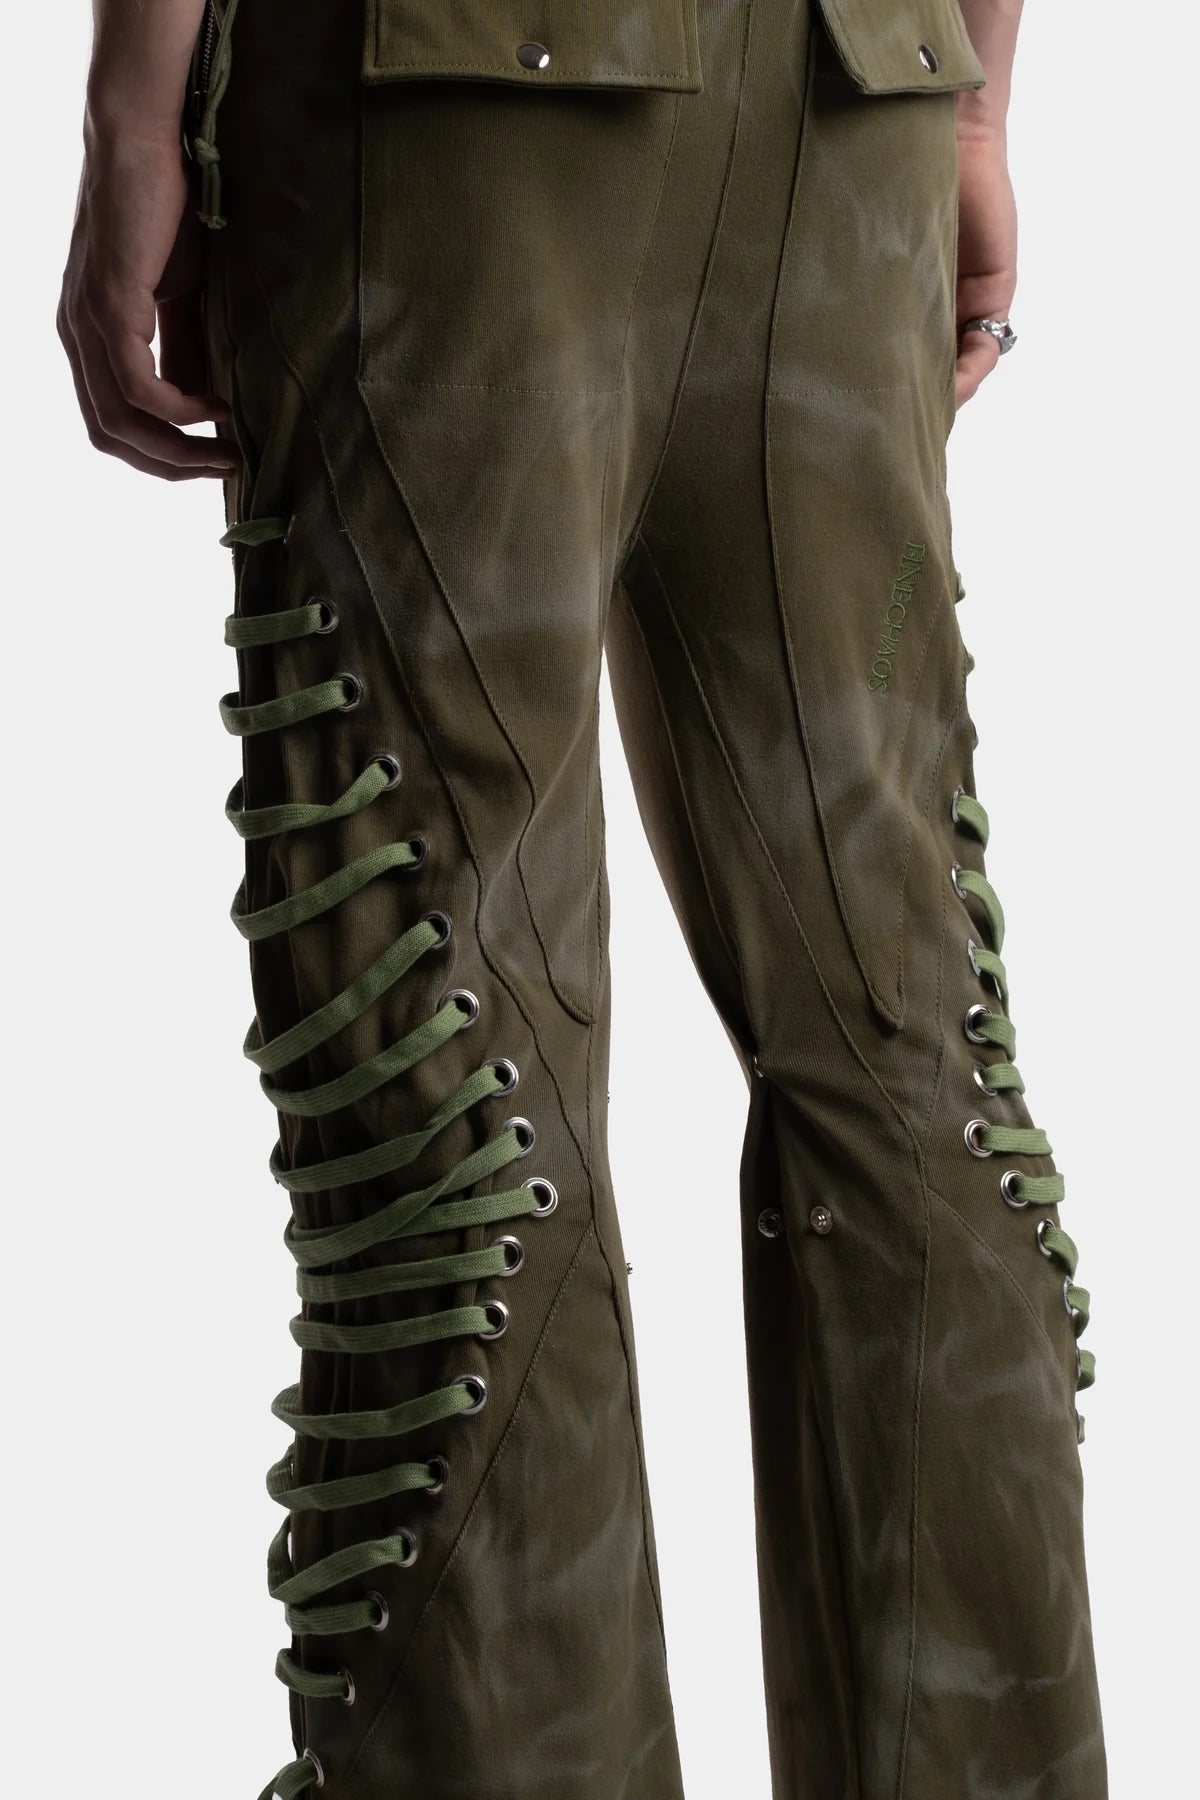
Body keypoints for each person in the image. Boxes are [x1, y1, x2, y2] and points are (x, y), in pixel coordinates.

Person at [58, 1, 1106, 1795]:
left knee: (458, 1074)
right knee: (908, 1040)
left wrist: (134, 112)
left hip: (447, 94)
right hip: (861, 78)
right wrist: (966, 110)